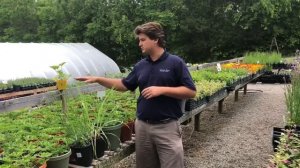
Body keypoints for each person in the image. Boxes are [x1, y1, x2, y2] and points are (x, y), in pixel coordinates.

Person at [75, 22, 196, 168]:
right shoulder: (141, 66)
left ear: (155, 39)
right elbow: (124, 85)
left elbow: (191, 91)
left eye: (143, 39)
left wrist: (161, 90)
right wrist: (99, 79)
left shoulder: (175, 63)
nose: (140, 43)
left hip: (167, 127)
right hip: (143, 127)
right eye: (139, 40)